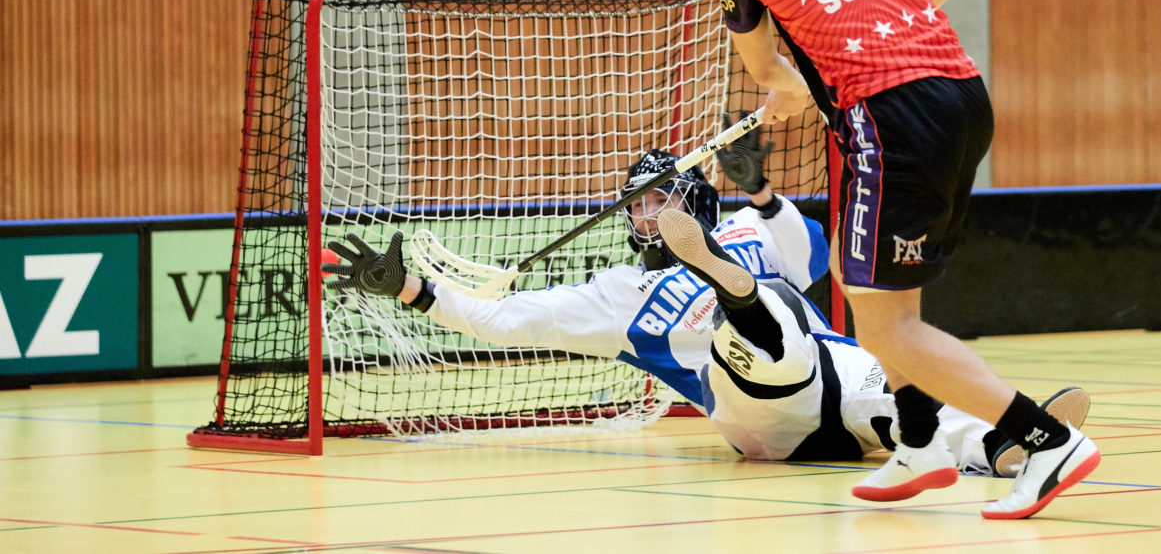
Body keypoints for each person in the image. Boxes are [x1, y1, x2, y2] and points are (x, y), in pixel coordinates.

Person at [703, 0, 1100, 519]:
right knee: (871, 286)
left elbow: (763, 69)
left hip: (889, 119)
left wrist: (800, 84)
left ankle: (1045, 440)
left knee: (888, 323)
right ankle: (919, 444)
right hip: (961, 91)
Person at [323, 129, 1088, 474]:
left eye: (655, 199)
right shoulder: (616, 294)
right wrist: (410, 289)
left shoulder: (759, 227)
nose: (639, 215)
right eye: (635, 204)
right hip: (750, 403)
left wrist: (759, 188)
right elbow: (499, 317)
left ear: (691, 197)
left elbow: (817, 252)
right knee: (759, 328)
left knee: (878, 376)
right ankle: (734, 291)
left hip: (825, 380)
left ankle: (997, 446)